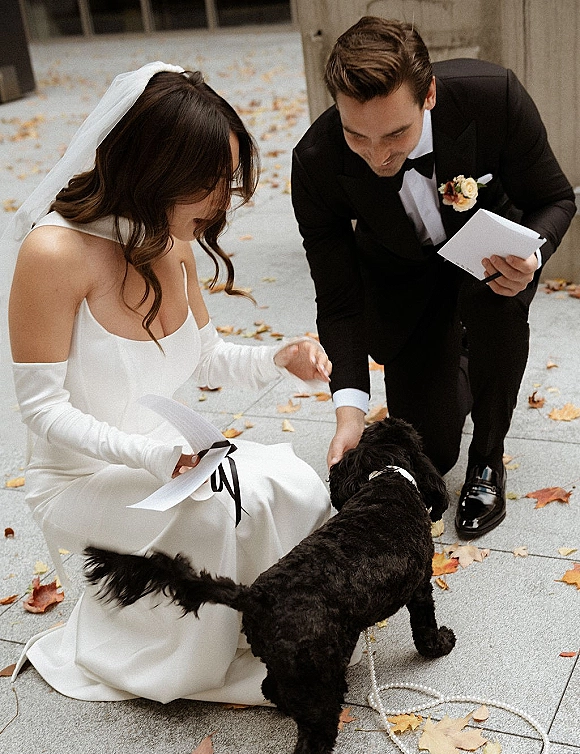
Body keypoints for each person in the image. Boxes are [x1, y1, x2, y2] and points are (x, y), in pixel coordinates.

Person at [3, 62, 333, 704]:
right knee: (218, 515)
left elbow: (203, 358)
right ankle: (184, 662)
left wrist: (278, 358)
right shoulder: (52, 254)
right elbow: (42, 409)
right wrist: (149, 455)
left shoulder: (168, 235)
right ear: (153, 168)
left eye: (228, 179)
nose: (224, 201)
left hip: (170, 460)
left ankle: (280, 625)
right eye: (208, 183)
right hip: (79, 477)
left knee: (289, 484)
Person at [291, 16, 576, 538]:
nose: (378, 155)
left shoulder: (494, 97)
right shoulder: (315, 161)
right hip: (402, 279)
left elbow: (555, 199)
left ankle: (488, 456)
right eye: (357, 135)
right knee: (432, 450)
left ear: (429, 95)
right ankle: (460, 355)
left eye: (395, 134)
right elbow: (338, 300)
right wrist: (350, 411)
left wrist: (530, 255)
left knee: (493, 306)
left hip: (490, 265)